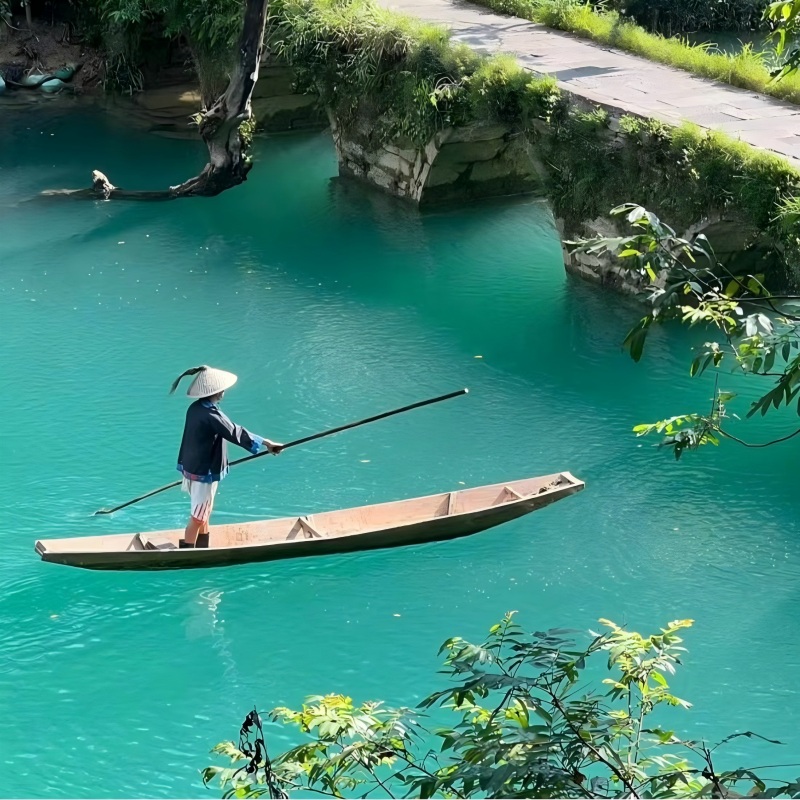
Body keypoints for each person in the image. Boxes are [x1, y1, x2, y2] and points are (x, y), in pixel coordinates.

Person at [170, 365, 283, 549]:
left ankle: (202, 546)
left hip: (193, 466)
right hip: (203, 472)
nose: (223, 392)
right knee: (198, 516)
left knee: (204, 511)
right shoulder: (210, 415)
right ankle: (188, 551)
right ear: (216, 391)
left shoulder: (196, 408)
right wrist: (266, 443)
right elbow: (235, 432)